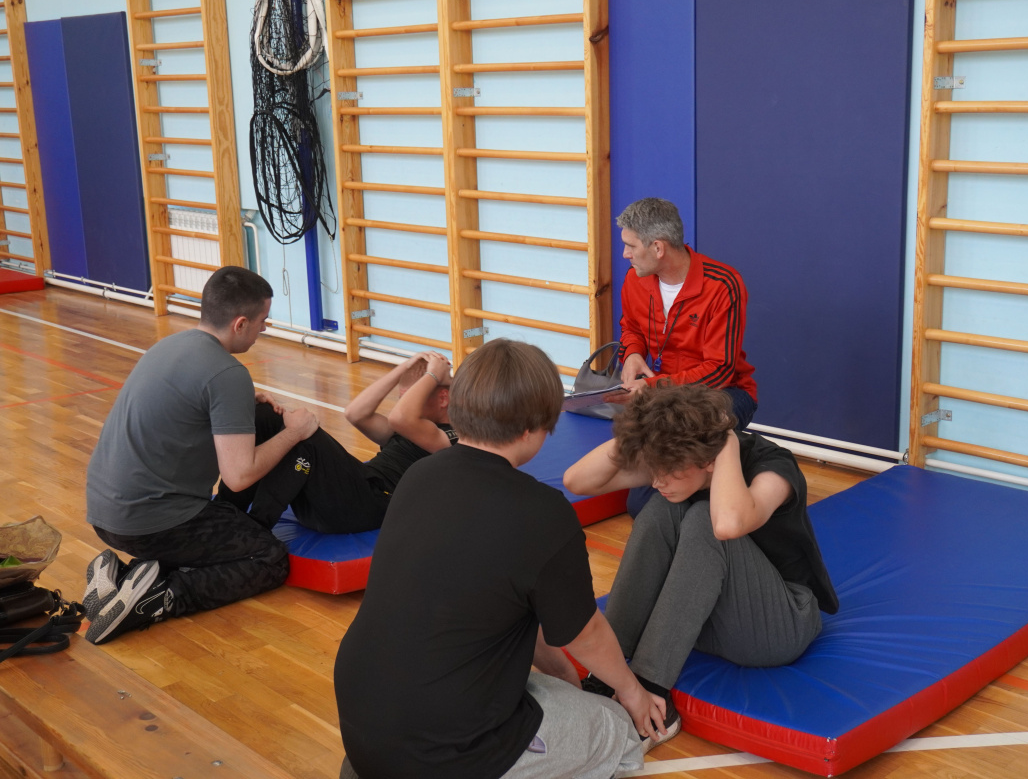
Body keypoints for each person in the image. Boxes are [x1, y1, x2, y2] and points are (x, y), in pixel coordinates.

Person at [334, 339, 676, 779]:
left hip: (363, 723)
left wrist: (570, 685)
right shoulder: (543, 512)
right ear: (536, 427)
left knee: (549, 693)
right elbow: (585, 632)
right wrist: (631, 693)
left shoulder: (419, 475)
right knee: (615, 730)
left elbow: (514, 611)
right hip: (443, 750)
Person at [563, 384, 839, 713]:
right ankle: (609, 668)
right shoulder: (673, 459)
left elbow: (727, 526)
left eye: (667, 472)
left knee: (705, 520)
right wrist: (637, 432)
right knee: (660, 509)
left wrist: (726, 443)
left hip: (777, 628)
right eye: (654, 470)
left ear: (707, 458)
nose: (656, 481)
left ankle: (651, 687)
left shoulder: (772, 465)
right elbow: (575, 481)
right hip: (708, 621)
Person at [82, 266, 319, 644]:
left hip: (104, 512)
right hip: (150, 523)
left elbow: (185, 404)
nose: (264, 328)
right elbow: (239, 476)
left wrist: (239, 403)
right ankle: (160, 598)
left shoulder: (169, 346)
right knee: (269, 558)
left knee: (222, 528)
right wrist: (295, 432)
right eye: (263, 321)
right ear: (240, 323)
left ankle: (121, 578)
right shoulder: (227, 373)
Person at [217, 350, 457, 534]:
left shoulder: (450, 438)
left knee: (307, 439)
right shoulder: (401, 429)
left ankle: (254, 530)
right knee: (267, 416)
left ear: (443, 398)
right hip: (337, 499)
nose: (402, 404)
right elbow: (355, 413)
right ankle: (224, 511)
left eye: (413, 397)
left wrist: (433, 375)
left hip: (370, 505)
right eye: (402, 398)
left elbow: (400, 417)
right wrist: (406, 366)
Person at [614, 197, 758, 428]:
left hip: (724, 391)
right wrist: (632, 354)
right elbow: (631, 329)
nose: (625, 254)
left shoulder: (723, 285)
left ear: (658, 248)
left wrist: (653, 387)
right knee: (632, 433)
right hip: (661, 390)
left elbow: (719, 370)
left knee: (681, 433)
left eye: (631, 246)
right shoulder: (634, 278)